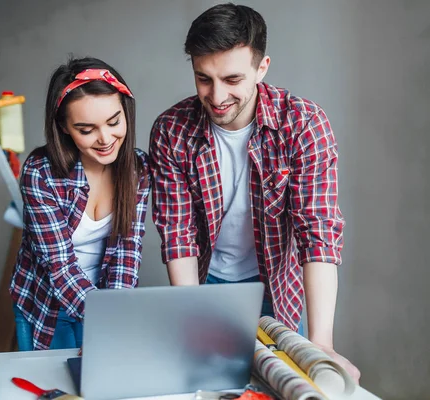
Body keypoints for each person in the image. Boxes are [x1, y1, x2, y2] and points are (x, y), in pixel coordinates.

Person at [148, 2, 360, 382]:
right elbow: (177, 234)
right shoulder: (171, 130)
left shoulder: (304, 124)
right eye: (203, 79)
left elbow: (319, 233)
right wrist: (193, 318)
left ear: (262, 68)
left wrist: (321, 344)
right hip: (203, 284)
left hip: (277, 286)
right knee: (206, 381)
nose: (215, 96)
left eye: (232, 80)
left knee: (279, 383)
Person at [10, 56, 150, 351]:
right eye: (87, 130)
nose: (105, 139)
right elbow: (59, 267)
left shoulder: (138, 169)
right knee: (53, 390)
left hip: (104, 303)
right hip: (46, 303)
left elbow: (127, 251)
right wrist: (105, 317)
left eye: (114, 122)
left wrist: (112, 314)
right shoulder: (40, 172)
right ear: (63, 127)